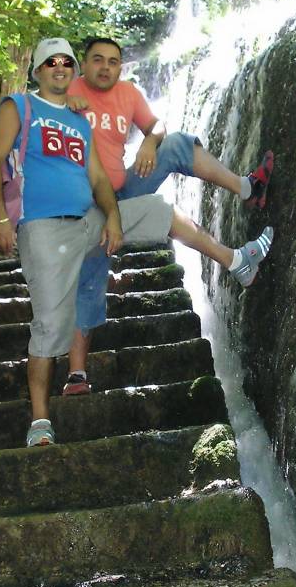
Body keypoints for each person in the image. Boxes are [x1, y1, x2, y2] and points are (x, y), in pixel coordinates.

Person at [0, 37, 274, 448]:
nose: (101, 67)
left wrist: (144, 155)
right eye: (55, 62)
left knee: (167, 176)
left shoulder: (110, 104)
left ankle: (242, 213)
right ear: (56, 68)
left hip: (109, 202)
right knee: (70, 299)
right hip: (61, 219)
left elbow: (127, 152)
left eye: (112, 61)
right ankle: (60, 395)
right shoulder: (40, 101)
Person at [62, 36, 275, 396]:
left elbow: (156, 125)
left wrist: (149, 141)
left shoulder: (128, 93)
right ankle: (77, 375)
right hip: (85, 207)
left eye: (113, 61)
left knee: (174, 143)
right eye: (97, 59)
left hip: (123, 190)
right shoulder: (68, 91)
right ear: (84, 64)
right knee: (88, 277)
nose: (105, 67)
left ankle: (247, 189)